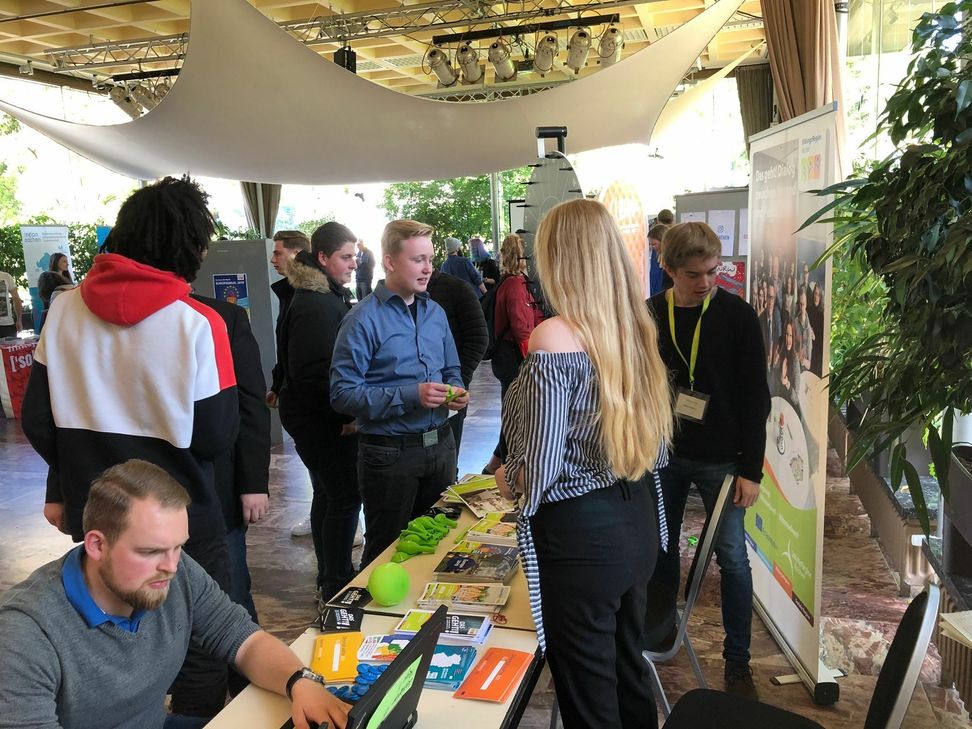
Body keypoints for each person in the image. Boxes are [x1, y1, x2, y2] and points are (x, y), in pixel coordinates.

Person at [21, 176, 240, 721]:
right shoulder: (199, 322)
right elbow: (216, 435)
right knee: (200, 641)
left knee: (104, 624)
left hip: (100, 512)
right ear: (187, 246)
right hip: (179, 516)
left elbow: (39, 420)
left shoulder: (64, 311)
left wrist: (76, 476)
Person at [0, 459, 350, 729]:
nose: (170, 566)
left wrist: (300, 681)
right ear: (96, 544)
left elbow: (242, 639)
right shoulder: (23, 637)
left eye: (178, 547)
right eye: (151, 552)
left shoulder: (173, 570)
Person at [495, 199, 673, 729]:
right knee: (626, 674)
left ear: (558, 258)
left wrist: (508, 478)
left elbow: (538, 471)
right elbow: (654, 444)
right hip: (635, 519)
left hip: (580, 538)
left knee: (588, 699)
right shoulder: (634, 329)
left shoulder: (555, 336)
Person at [647, 221, 770, 700]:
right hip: (664, 455)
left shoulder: (738, 317)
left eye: (713, 272)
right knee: (661, 552)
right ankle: (659, 638)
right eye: (695, 274)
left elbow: (755, 398)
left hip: (723, 461)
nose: (706, 283)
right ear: (668, 268)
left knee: (733, 561)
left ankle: (737, 661)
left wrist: (751, 469)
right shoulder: (649, 315)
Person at [330, 219, 469, 568]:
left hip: (441, 445)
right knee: (386, 554)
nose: (427, 269)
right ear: (390, 261)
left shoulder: (435, 312)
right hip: (389, 456)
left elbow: (451, 369)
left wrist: (457, 390)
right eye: (418, 260)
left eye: (430, 259)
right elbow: (342, 394)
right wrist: (411, 395)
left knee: (439, 544)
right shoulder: (362, 320)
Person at [189, 288, 270, 690]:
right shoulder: (96, 317)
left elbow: (251, 405)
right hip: (140, 496)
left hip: (216, 488)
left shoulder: (222, 317)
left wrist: (254, 482)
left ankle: (246, 694)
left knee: (230, 595)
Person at [278, 222, 362, 604]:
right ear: (324, 258)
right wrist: (343, 418)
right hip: (320, 420)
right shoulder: (315, 302)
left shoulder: (318, 293)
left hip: (311, 416)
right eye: (346, 257)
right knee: (343, 497)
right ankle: (337, 581)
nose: (352, 264)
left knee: (328, 495)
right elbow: (315, 374)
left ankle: (330, 574)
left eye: (355, 257)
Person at [265, 230, 314, 538]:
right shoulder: (289, 293)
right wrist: (277, 382)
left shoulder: (306, 297)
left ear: (297, 255)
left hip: (312, 401)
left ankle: (351, 526)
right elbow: (286, 347)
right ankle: (320, 513)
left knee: (329, 469)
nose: (273, 259)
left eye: (278, 252)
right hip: (296, 396)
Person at [482, 233, 543, 475]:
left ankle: (495, 466)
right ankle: (503, 471)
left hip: (509, 358)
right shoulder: (516, 285)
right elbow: (521, 328)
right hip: (514, 360)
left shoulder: (509, 282)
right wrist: (535, 360)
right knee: (515, 417)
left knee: (513, 415)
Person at [426, 268, 488, 458]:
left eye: (426, 258)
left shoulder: (456, 289)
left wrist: (457, 381)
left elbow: (478, 337)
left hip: (449, 398)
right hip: (413, 411)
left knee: (445, 461)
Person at [38, 253, 74, 330]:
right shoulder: (47, 278)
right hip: (53, 317)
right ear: (55, 262)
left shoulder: (68, 279)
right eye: (64, 261)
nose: (67, 264)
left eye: (67, 261)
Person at [647, 223, 673, 295]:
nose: (652, 247)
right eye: (650, 244)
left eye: (654, 244)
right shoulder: (659, 256)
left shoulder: (672, 259)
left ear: (663, 241)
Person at [794, 288, 814, 373]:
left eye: (804, 304)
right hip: (796, 367)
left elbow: (810, 365)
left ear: (806, 304)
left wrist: (804, 361)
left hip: (807, 370)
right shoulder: (794, 322)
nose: (802, 307)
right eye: (800, 304)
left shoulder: (809, 327)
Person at [0, 268, 23, 337]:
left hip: (7, 324)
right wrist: (19, 320)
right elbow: (16, 299)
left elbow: (16, 299)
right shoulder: (6, 276)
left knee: (10, 347)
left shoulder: (6, 276)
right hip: (7, 325)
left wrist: (19, 320)